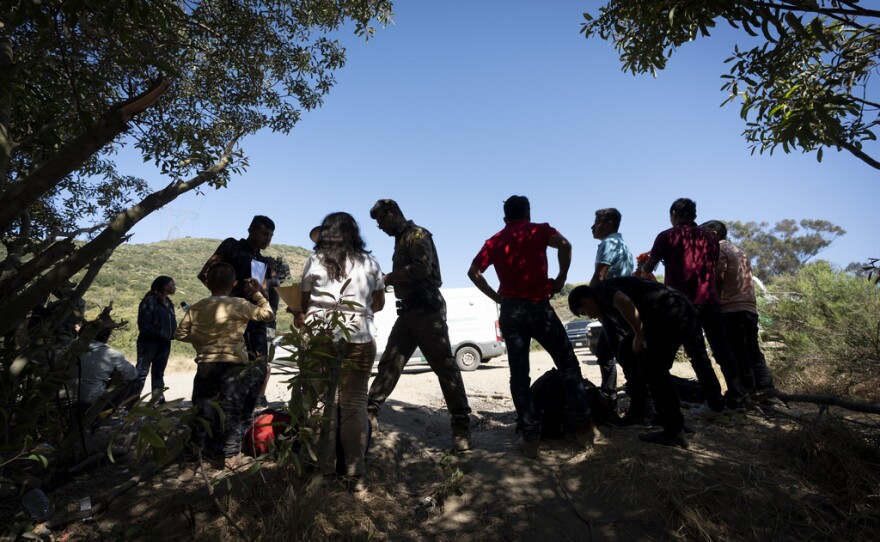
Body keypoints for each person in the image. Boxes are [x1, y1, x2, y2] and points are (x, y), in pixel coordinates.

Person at [467, 195, 595, 458]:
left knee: (519, 375)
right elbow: (565, 245)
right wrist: (561, 278)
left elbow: (473, 272)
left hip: (511, 311)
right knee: (568, 365)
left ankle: (530, 438)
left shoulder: (494, 241)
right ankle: (583, 430)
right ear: (527, 213)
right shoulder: (539, 230)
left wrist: (497, 298)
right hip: (539, 307)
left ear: (505, 218)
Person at [367, 199, 472, 452]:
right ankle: (369, 413)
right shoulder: (401, 239)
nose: (380, 226)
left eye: (381, 220)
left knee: (445, 368)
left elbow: (422, 268)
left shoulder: (416, 234)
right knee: (390, 362)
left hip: (427, 311)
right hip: (409, 312)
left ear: (393, 213)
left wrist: (389, 277)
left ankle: (461, 427)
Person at [295, 212, 385, 487]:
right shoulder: (370, 262)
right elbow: (379, 303)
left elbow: (303, 300)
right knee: (355, 403)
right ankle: (356, 474)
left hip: (320, 338)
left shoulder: (316, 260)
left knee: (321, 404)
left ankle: (323, 472)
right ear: (354, 233)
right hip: (360, 336)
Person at [639, 198, 744, 419]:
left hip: (683, 304)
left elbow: (649, 267)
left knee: (697, 354)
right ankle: (737, 396)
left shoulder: (667, 236)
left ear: (675, 214)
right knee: (722, 349)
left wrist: (644, 264)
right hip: (711, 301)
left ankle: (714, 403)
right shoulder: (711, 238)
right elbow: (707, 267)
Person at [568, 278, 698, 448]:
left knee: (653, 369)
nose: (590, 316)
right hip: (682, 311)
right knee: (633, 356)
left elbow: (624, 301)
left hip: (668, 314)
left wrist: (639, 334)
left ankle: (673, 429)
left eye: (584, 312)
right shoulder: (607, 303)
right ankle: (661, 415)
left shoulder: (601, 291)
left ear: (585, 301)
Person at [175, 263, 275, 476]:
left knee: (201, 411)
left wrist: (201, 341)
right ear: (234, 284)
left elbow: (180, 334)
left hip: (205, 365)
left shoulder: (197, 307)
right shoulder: (238, 304)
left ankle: (191, 463)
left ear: (208, 283)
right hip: (233, 366)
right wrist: (257, 293)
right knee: (232, 411)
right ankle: (231, 458)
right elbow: (268, 315)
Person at [198, 215, 276, 417]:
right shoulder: (231, 246)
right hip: (228, 319)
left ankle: (242, 419)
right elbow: (205, 273)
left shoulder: (264, 261)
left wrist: (260, 291)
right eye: (264, 234)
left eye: (271, 236)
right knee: (223, 369)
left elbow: (266, 294)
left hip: (254, 319)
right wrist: (224, 299)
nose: (268, 239)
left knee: (258, 369)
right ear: (251, 230)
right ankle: (211, 420)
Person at [700, 220, 775, 396]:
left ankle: (745, 392)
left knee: (738, 352)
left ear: (713, 234)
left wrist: (714, 302)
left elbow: (717, 278)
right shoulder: (739, 251)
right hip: (749, 308)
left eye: (703, 236)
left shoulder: (719, 250)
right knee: (752, 350)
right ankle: (766, 390)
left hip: (731, 309)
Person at [588, 208, 635, 400]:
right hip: (618, 306)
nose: (592, 227)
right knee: (604, 353)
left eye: (596, 222)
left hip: (613, 307)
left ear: (608, 224)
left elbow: (600, 275)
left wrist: (589, 298)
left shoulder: (608, 243)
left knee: (623, 355)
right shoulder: (622, 244)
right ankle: (608, 393)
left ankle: (640, 399)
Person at [72, 327, 137, 413]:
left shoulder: (65, 350)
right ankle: (110, 413)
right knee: (127, 381)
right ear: (106, 337)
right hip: (90, 401)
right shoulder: (111, 354)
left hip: (60, 399)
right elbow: (132, 374)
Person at [134, 276, 177, 403]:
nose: (175, 287)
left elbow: (171, 324)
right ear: (164, 286)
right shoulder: (150, 301)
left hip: (165, 343)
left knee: (158, 373)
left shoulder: (169, 303)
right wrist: (161, 333)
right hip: (149, 342)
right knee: (141, 372)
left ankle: (158, 402)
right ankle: (130, 403)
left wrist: (173, 334)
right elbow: (144, 324)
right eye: (172, 284)